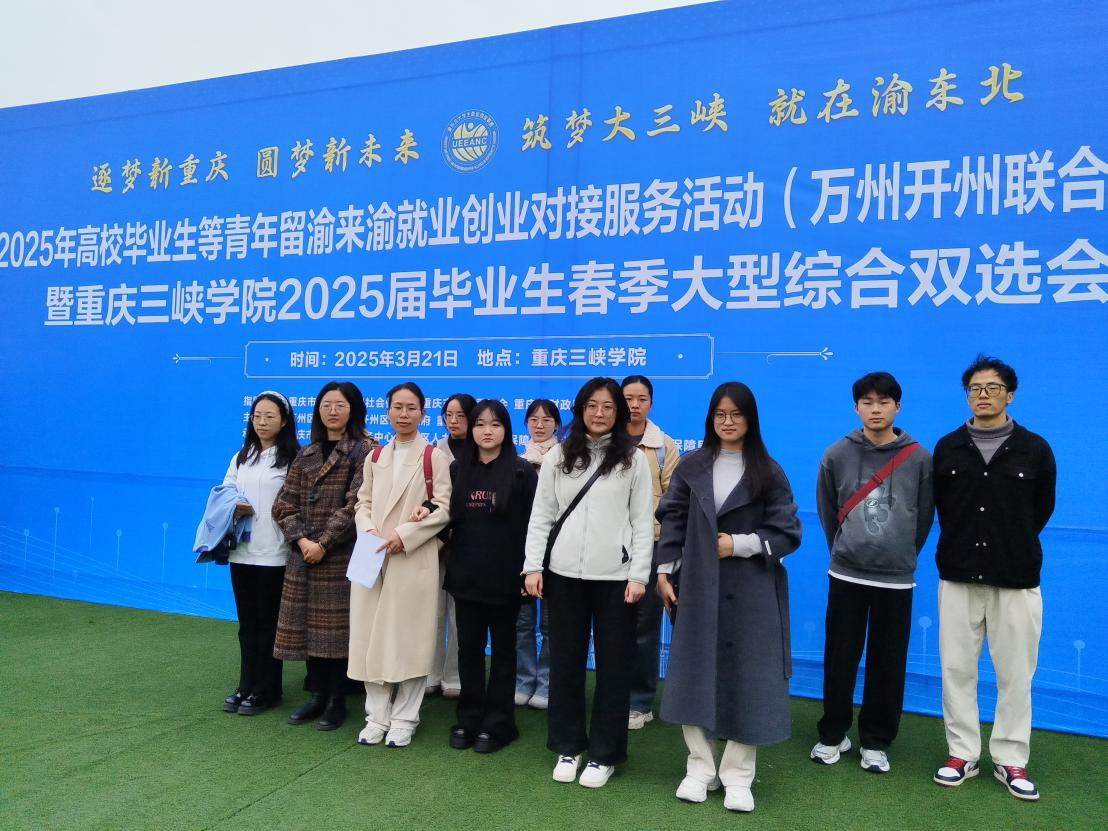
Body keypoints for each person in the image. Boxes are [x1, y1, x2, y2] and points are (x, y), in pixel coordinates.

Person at [655, 381, 801, 813]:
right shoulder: (693, 466)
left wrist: (738, 544)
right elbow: (672, 518)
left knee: (748, 677)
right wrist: (664, 570)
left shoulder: (768, 471)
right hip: (697, 585)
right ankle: (700, 768)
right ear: (710, 419)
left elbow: (788, 531)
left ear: (750, 419)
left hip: (752, 588)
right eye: (720, 414)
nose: (728, 422)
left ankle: (738, 776)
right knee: (693, 672)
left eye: (736, 414)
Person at [931, 356, 1055, 801]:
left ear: (1010, 395)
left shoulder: (1034, 449)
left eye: (993, 387)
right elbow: (941, 506)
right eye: (975, 388)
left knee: (1016, 674)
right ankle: (962, 754)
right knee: (956, 670)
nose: (983, 394)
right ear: (967, 395)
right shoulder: (947, 447)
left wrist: (1008, 543)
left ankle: (1010, 758)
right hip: (958, 574)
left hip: (1016, 576)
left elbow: (1041, 509)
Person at [523, 377, 654, 789]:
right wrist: (533, 566)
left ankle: (604, 754)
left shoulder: (632, 460)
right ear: (580, 410)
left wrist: (639, 575)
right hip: (563, 576)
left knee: (614, 669)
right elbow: (542, 515)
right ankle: (569, 746)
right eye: (592, 405)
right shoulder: (560, 455)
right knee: (565, 663)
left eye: (608, 407)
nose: (599, 413)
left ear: (619, 413)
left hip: (616, 579)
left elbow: (642, 522)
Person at [810, 372, 934, 773]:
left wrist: (901, 554)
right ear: (856, 408)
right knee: (840, 658)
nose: (875, 409)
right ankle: (833, 734)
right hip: (846, 575)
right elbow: (828, 512)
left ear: (898, 406)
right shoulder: (836, 454)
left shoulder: (919, 458)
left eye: (883, 402)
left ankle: (876, 741)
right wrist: (845, 550)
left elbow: (924, 517)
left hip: (896, 579)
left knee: (888, 661)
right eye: (867, 402)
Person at [349, 382, 452, 748]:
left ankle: (405, 718)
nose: (404, 414)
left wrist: (404, 535)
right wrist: (369, 531)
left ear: (423, 413)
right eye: (397, 407)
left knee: (409, 640)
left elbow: (444, 508)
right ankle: (376, 717)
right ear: (388, 411)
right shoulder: (375, 456)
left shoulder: (434, 457)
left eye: (411, 408)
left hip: (412, 557)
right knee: (369, 638)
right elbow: (361, 502)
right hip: (373, 554)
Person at [272, 381, 372, 731]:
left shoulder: (364, 451)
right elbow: (283, 504)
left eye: (340, 405)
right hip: (303, 555)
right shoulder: (307, 453)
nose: (332, 411)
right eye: (326, 404)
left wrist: (324, 544)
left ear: (353, 410)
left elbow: (356, 505)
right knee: (309, 631)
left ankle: (337, 700)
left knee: (336, 634)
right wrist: (302, 541)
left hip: (339, 556)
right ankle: (316, 695)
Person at [441, 399, 538, 753]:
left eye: (495, 425)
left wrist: (529, 571)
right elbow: (445, 517)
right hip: (465, 576)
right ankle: (468, 719)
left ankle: (499, 723)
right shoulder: (457, 469)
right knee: (468, 650)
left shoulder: (522, 471)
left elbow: (536, 526)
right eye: (480, 424)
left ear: (506, 430)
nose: (487, 431)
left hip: (506, 579)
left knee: (504, 651)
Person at [221, 391, 300, 716]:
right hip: (242, 551)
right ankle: (246, 684)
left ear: (284, 421)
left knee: (268, 625)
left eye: (269, 416)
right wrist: (233, 505)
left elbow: (296, 501)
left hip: (274, 553)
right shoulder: (242, 456)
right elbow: (225, 490)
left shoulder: (292, 457)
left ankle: (268, 689)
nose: (262, 422)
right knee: (247, 623)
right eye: (257, 416)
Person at [621, 375, 681, 730]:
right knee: (612, 623)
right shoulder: (605, 441)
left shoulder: (663, 446)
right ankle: (613, 695)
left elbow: (674, 502)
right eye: (628, 398)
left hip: (652, 545)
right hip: (609, 547)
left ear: (651, 403)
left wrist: (668, 552)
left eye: (641, 398)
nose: (634, 404)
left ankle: (640, 702)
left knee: (645, 627)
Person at [514, 398, 561, 710]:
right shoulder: (517, 462)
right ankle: (523, 680)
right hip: (523, 551)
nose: (540, 425)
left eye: (546, 419)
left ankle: (546, 683)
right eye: (533, 419)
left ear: (557, 424)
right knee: (522, 622)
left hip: (557, 552)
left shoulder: (566, 460)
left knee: (552, 624)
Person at [428, 392, 475, 699]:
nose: (454, 421)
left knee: (460, 616)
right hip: (434, 543)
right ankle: (430, 672)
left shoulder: (482, 451)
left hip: (467, 545)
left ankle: (454, 675)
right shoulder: (434, 452)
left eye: (461, 415)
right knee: (432, 612)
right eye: (449, 415)